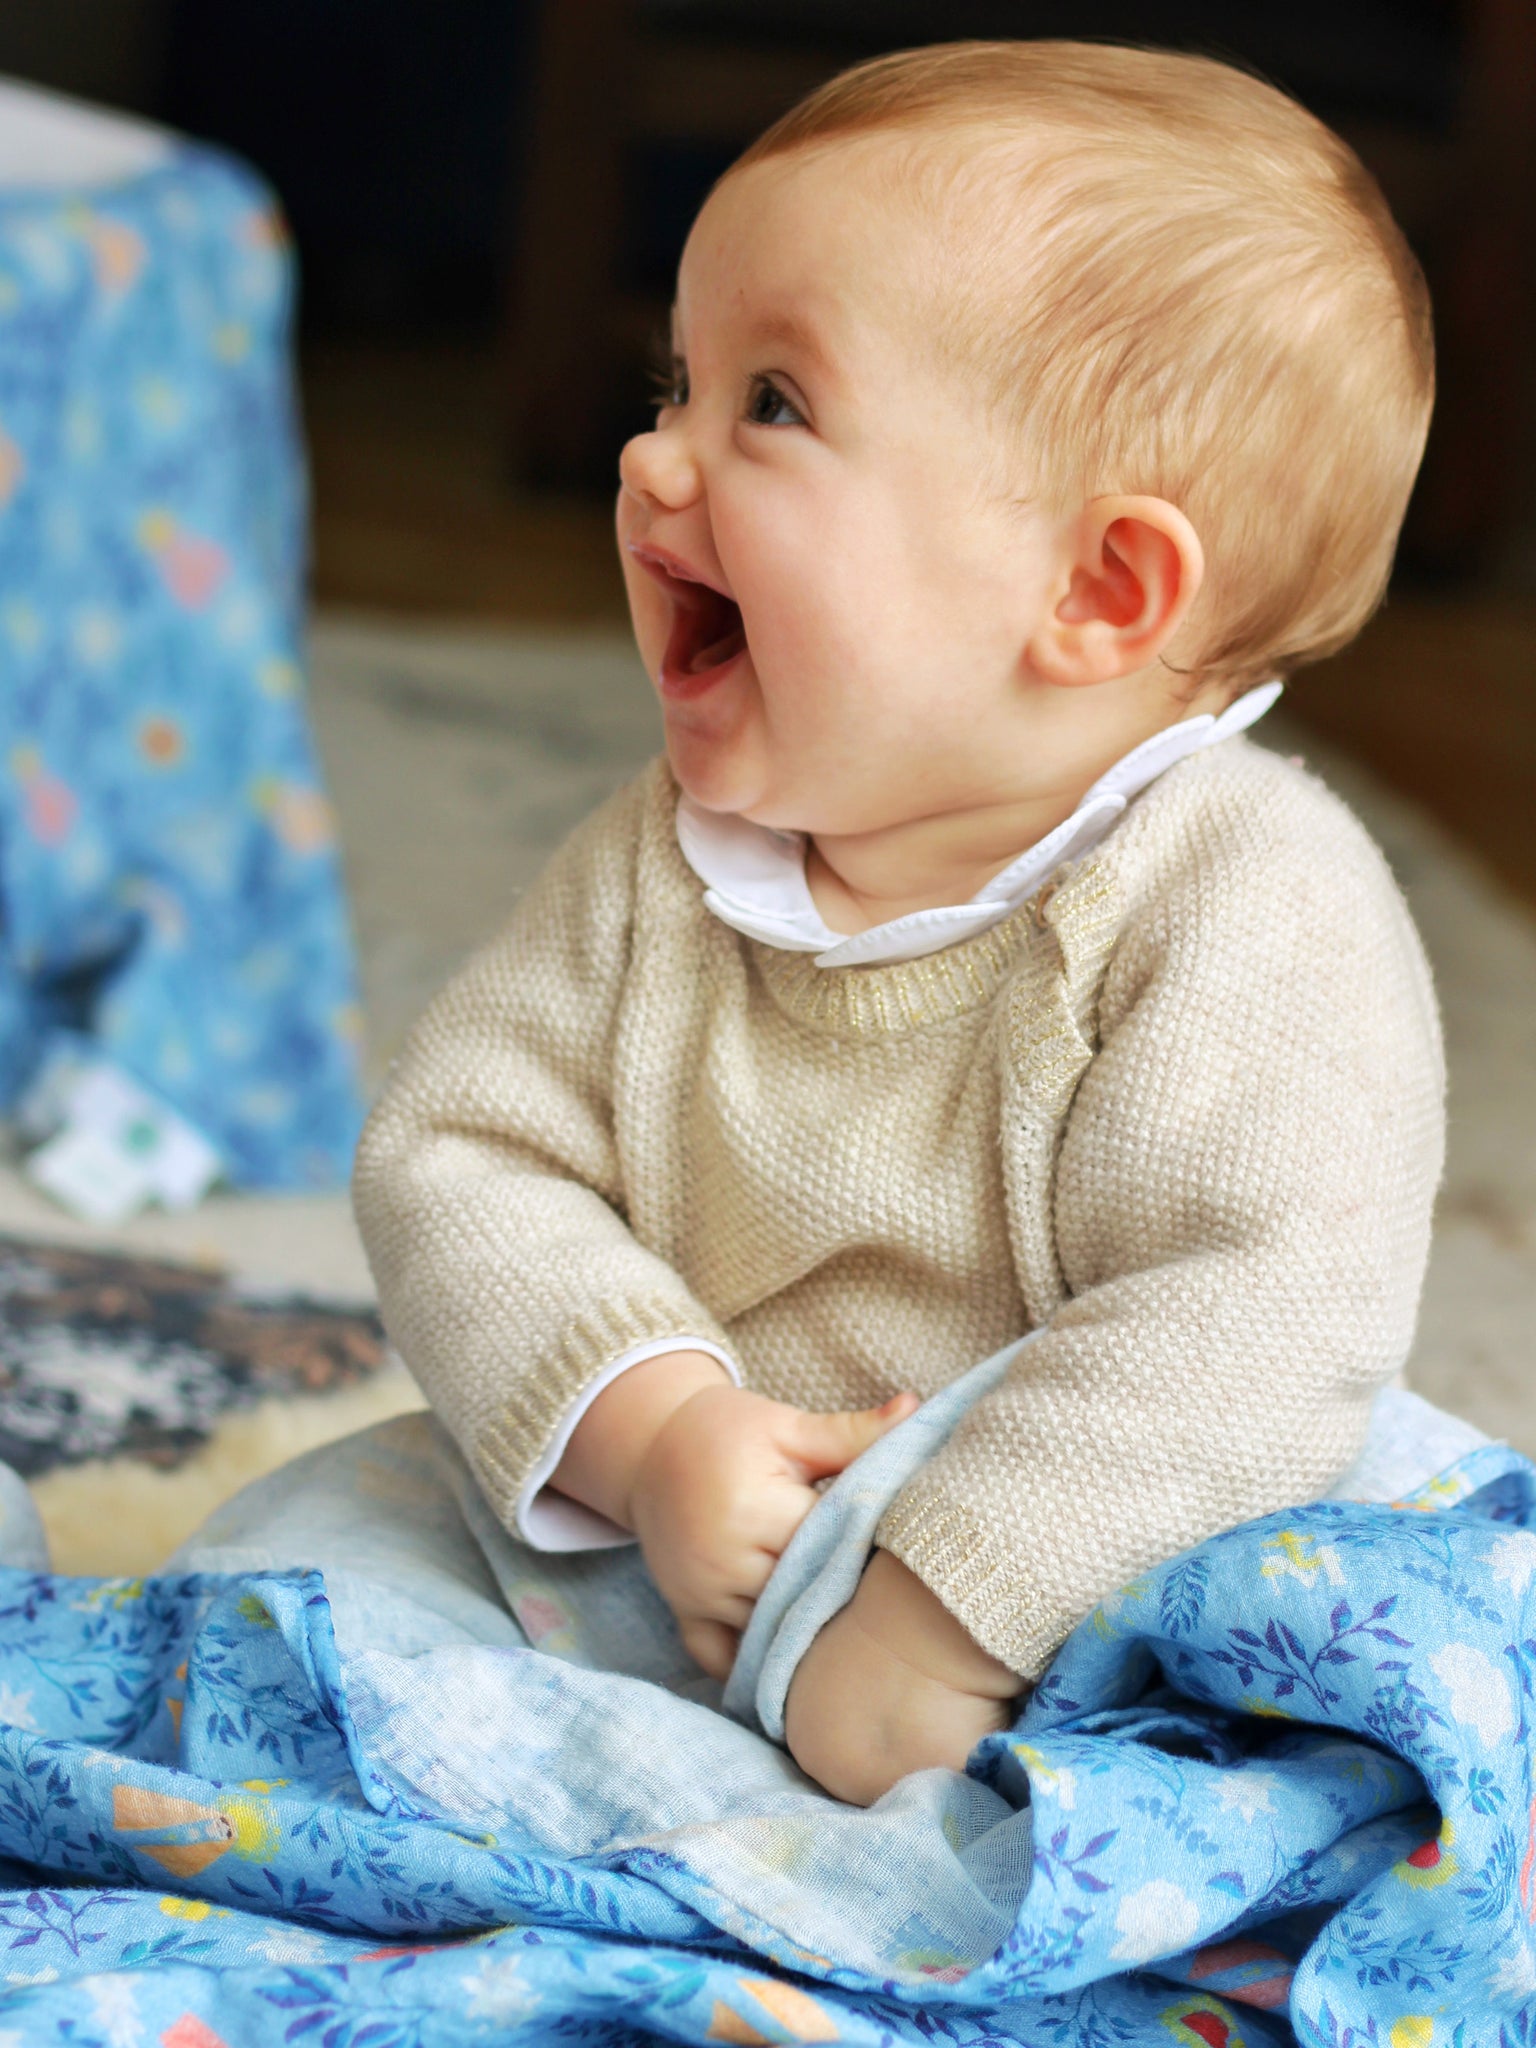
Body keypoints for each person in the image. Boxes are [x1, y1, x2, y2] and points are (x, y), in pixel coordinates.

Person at [353, 41, 1444, 1805]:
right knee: (298, 1582)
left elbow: (1262, 1315)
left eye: (771, 404)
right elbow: (464, 1152)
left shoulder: (1252, 911)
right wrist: (654, 1431)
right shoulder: (663, 868)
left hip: (1088, 1573)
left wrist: (942, 1616)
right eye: (679, 381)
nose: (653, 457)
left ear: (1098, 590)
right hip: (665, 1536)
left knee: (1387, 1705)